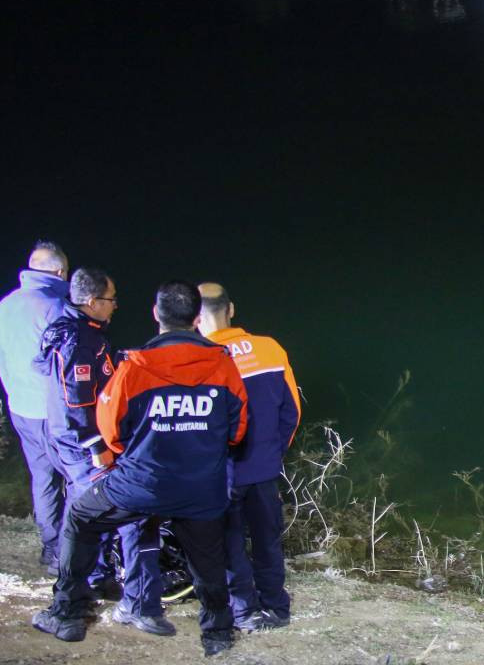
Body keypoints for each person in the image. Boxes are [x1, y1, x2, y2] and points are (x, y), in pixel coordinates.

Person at [32, 280, 248, 657]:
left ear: (155, 315)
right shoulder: (224, 365)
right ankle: (217, 633)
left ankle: (66, 613)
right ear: (197, 319)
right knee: (208, 558)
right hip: (201, 488)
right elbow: (237, 430)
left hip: (141, 484)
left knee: (81, 517)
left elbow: (110, 431)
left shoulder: (133, 367)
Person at [35, 268, 170, 633]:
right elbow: (76, 403)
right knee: (121, 514)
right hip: (85, 448)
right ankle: (83, 608)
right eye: (111, 299)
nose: (116, 305)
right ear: (93, 302)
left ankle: (96, 585)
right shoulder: (77, 340)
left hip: (86, 444)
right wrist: (97, 448)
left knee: (89, 518)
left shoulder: (87, 334)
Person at [198, 282, 301, 631]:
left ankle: (245, 612)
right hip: (263, 468)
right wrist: (273, 452)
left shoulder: (198, 358)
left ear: (196, 318)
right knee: (267, 541)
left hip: (219, 474)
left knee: (229, 544)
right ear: (231, 309)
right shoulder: (270, 349)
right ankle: (276, 607)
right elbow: (292, 411)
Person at [0, 241, 69, 573]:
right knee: (77, 479)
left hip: (20, 406)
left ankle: (50, 548)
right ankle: (70, 552)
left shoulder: (6, 306)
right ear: (60, 272)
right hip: (53, 411)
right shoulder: (55, 307)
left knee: (43, 479)